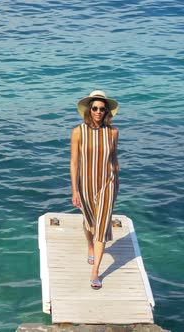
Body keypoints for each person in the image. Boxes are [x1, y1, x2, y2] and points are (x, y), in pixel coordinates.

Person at [70, 90, 120, 290]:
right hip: (86, 185)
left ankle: (95, 271)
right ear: (89, 110)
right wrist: (74, 189)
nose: (98, 112)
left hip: (108, 184)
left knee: (101, 226)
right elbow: (74, 163)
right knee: (89, 221)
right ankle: (89, 245)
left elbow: (114, 158)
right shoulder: (78, 132)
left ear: (106, 111)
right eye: (95, 108)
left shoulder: (113, 132)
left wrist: (117, 179)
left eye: (102, 108)